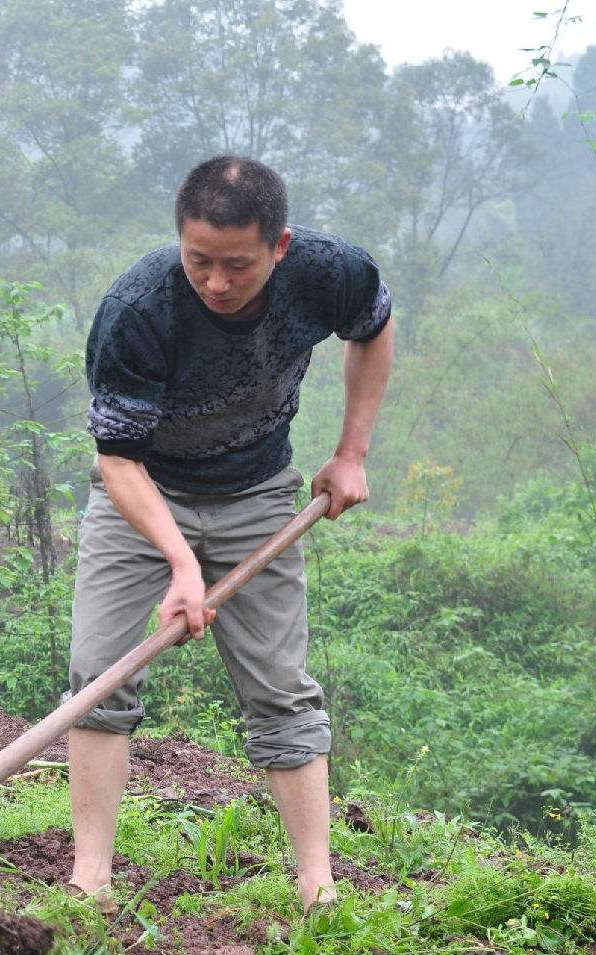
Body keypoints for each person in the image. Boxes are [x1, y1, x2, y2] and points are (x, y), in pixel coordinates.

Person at [65, 155, 394, 913]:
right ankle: (90, 881)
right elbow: (118, 462)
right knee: (99, 674)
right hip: (144, 496)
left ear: (278, 246)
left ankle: (318, 888)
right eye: (198, 260)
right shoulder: (137, 309)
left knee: (282, 688)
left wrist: (351, 452)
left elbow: (373, 329)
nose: (215, 281)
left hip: (261, 495)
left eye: (236, 265)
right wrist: (180, 561)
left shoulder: (327, 272)